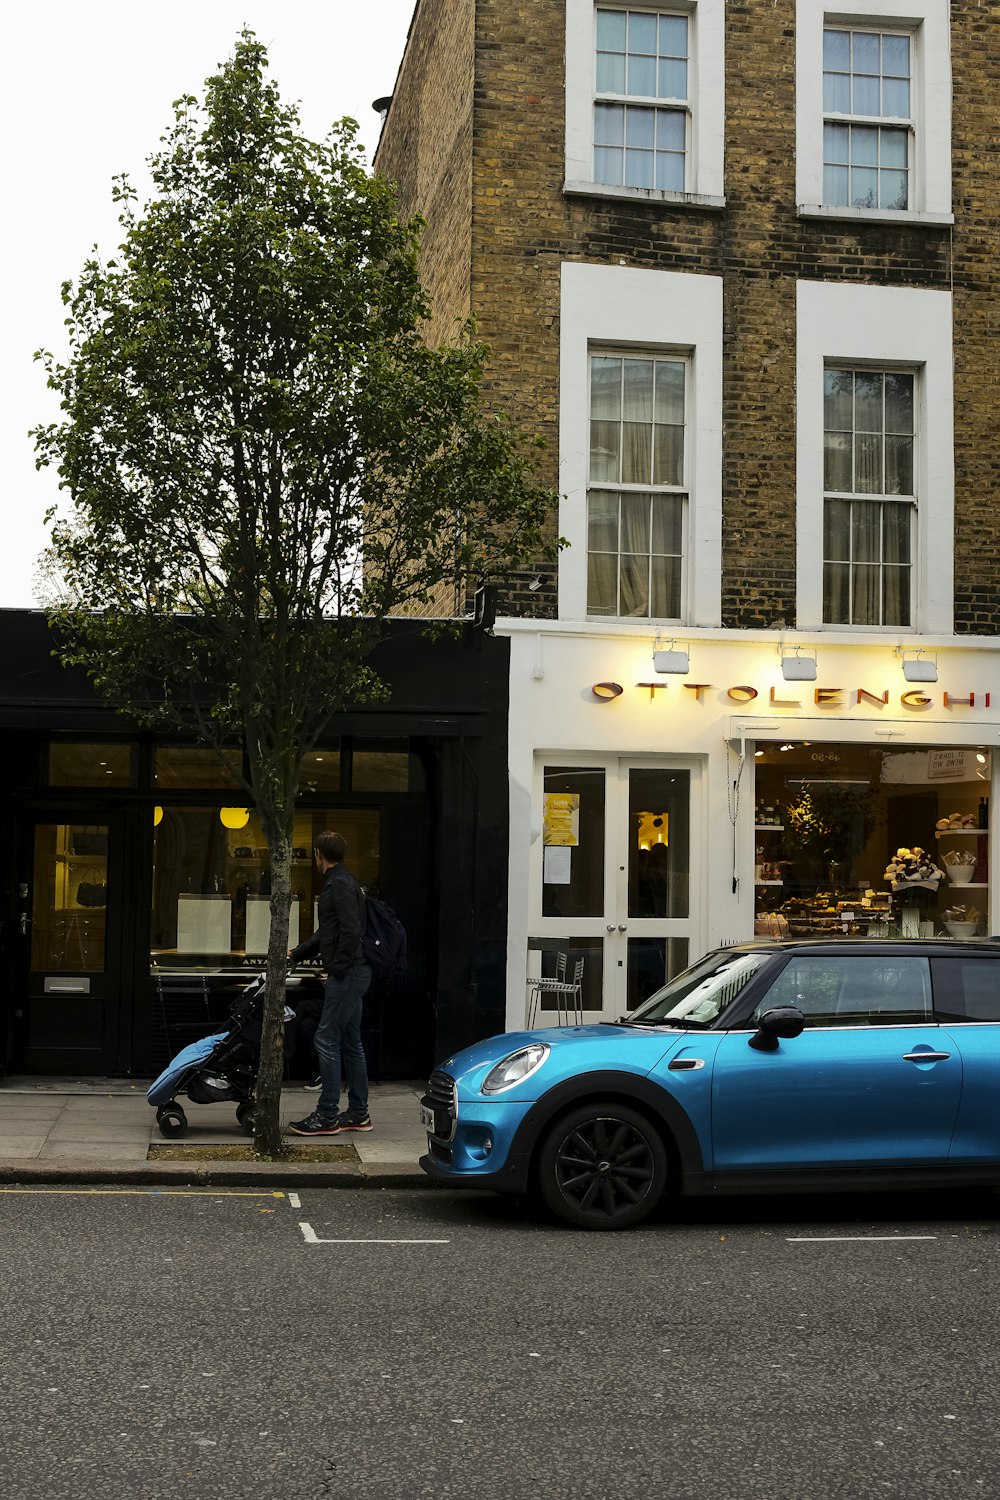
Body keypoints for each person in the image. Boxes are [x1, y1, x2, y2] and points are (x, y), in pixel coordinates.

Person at [287, 831, 373, 1135]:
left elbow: (349, 931)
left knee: (325, 1039)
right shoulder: (346, 882)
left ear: (318, 855)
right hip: (353, 972)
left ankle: (327, 1115)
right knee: (351, 1042)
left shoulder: (338, 885)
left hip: (348, 974)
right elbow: (330, 932)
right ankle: (359, 1113)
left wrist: (337, 969)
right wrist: (297, 953)